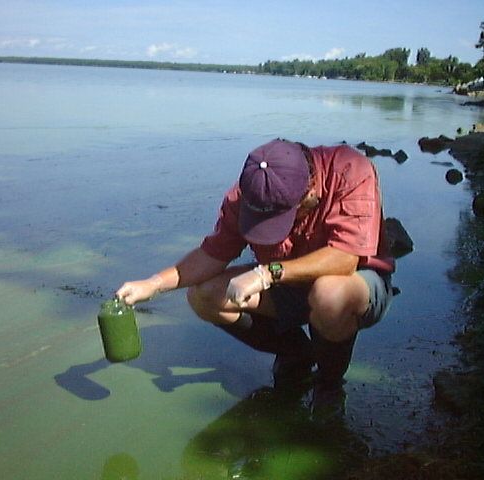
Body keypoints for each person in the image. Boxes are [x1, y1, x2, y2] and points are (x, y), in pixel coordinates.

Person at [116, 139, 394, 415]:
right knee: (204, 296)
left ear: (309, 194)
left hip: (354, 285)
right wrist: (153, 284)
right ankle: (297, 353)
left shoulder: (351, 169)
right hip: (286, 285)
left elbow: (345, 259)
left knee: (328, 295)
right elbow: (212, 254)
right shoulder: (249, 194)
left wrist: (267, 273)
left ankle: (329, 383)